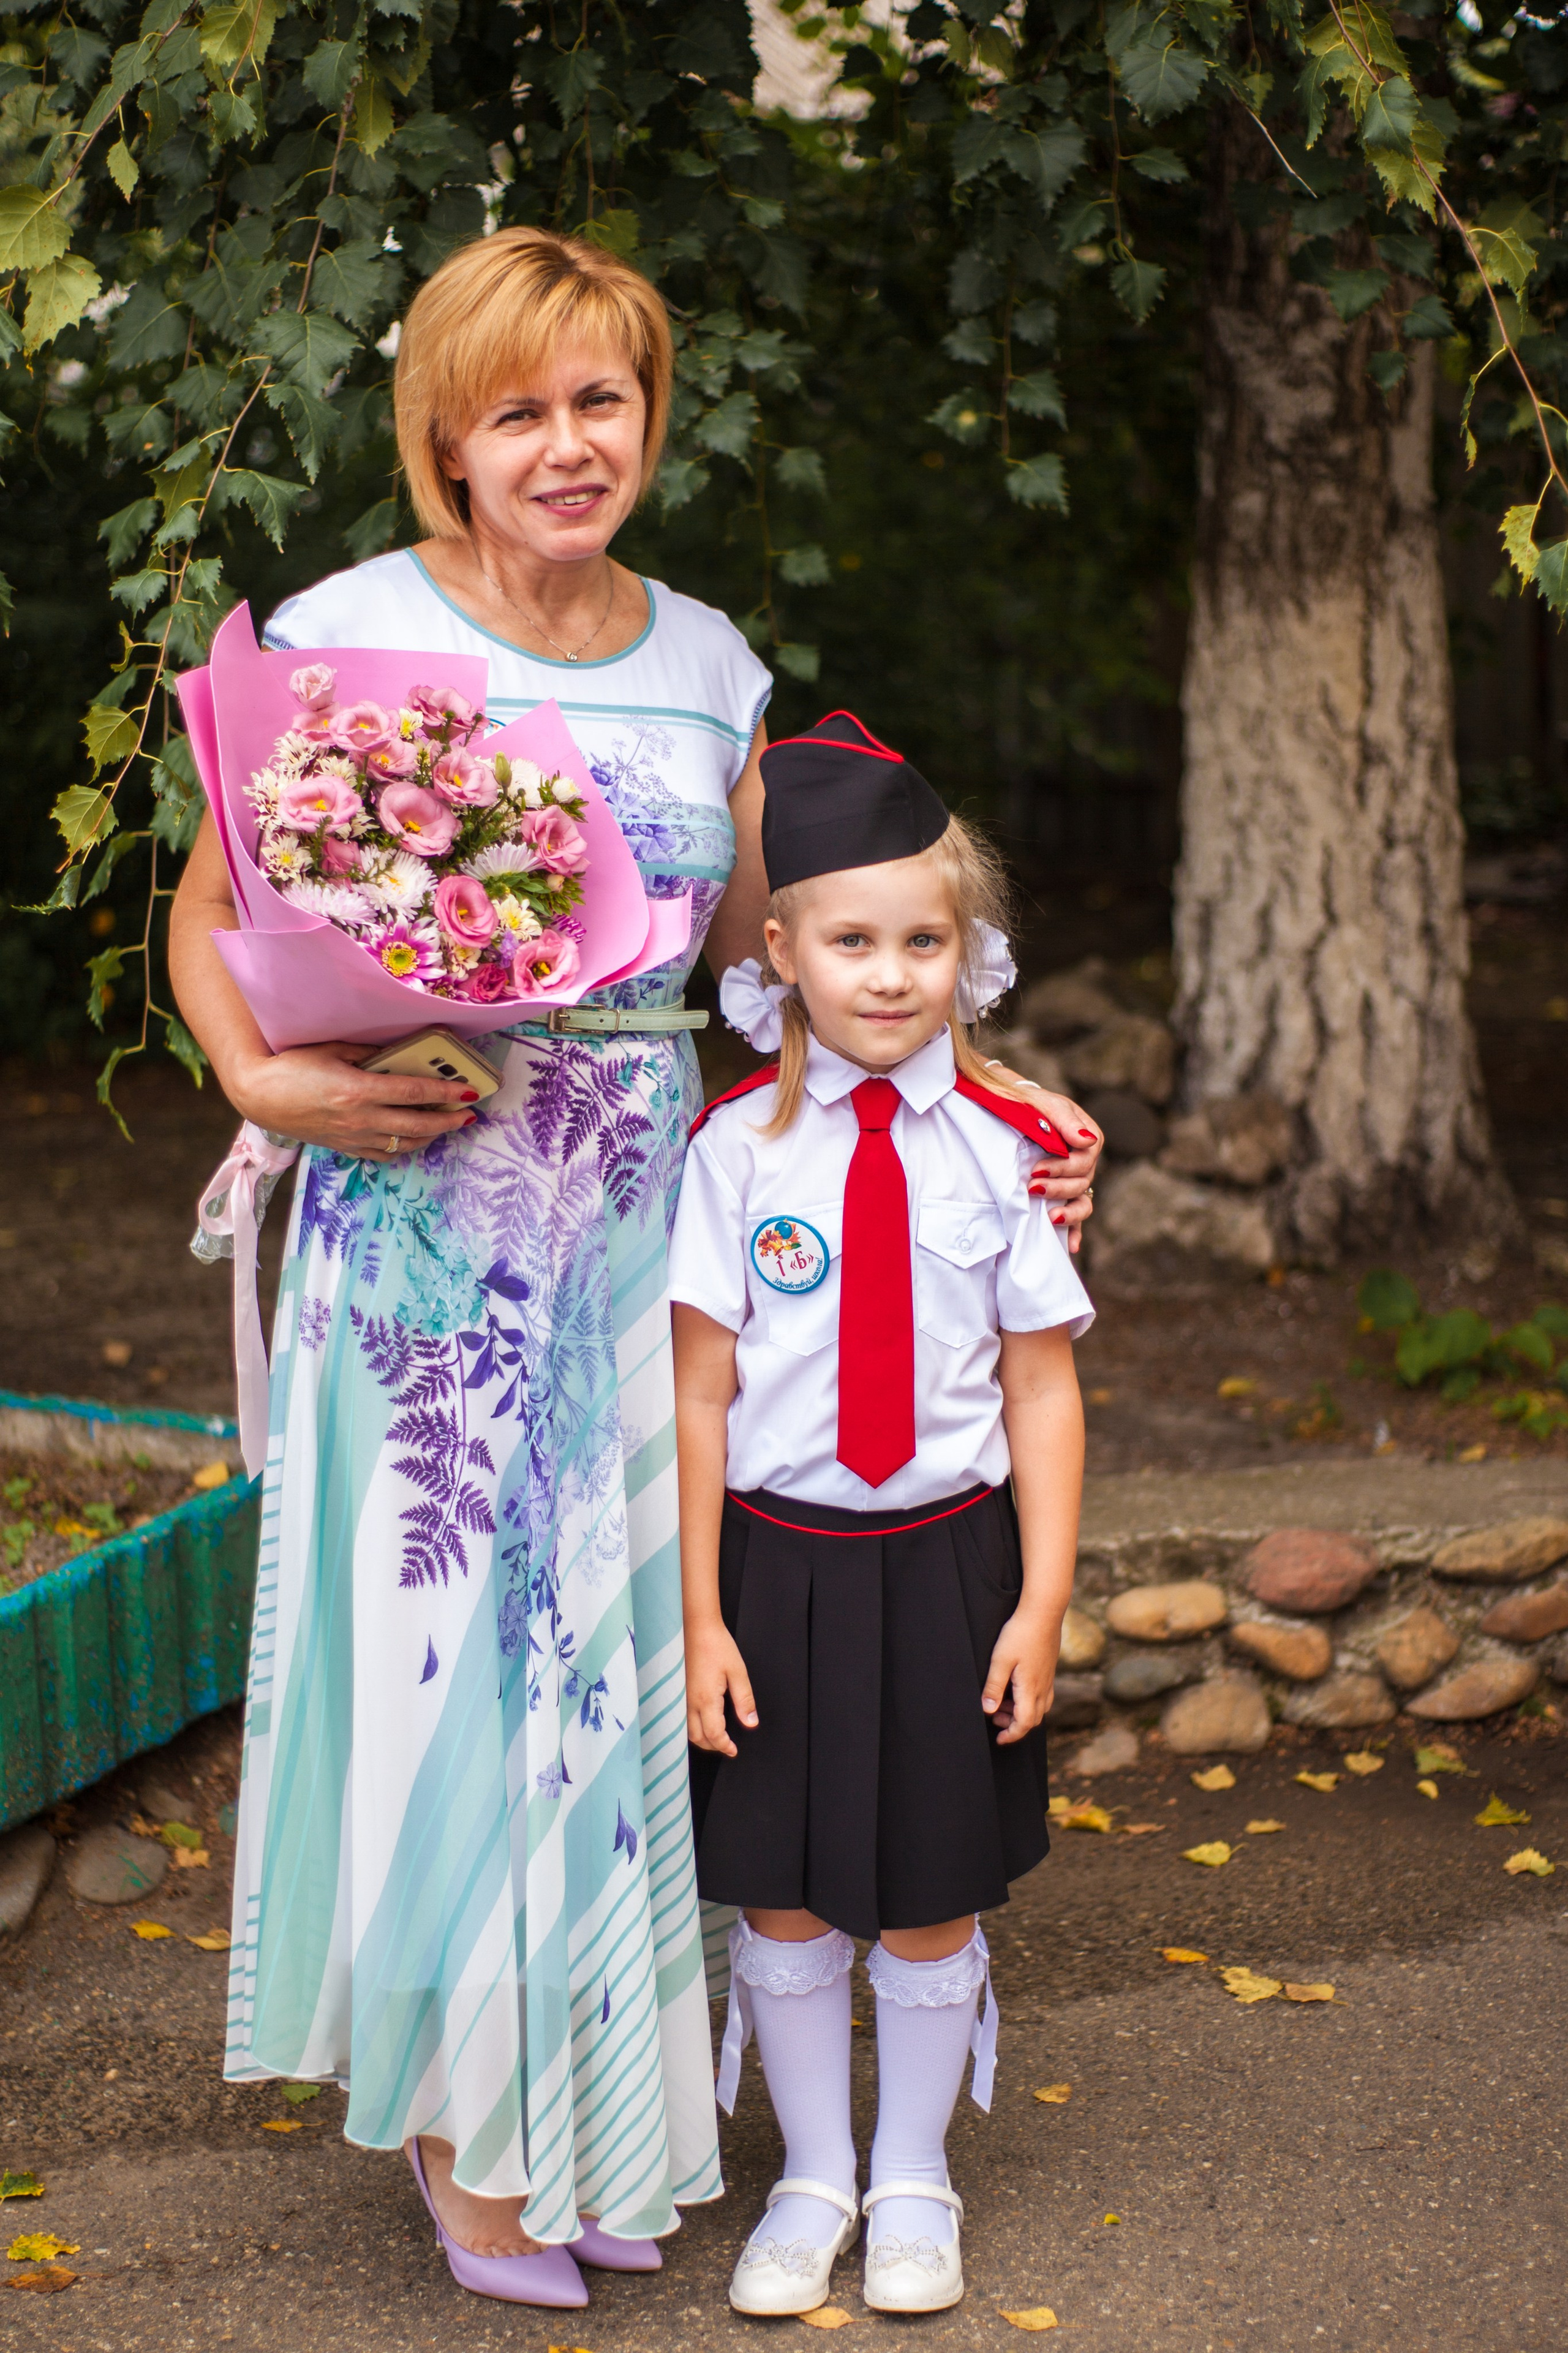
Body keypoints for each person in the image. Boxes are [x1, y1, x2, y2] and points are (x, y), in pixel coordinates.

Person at [168, 230, 1105, 2308]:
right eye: (520, 410)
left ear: (648, 418)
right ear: (447, 437)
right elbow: (210, 904)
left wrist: (1015, 1119)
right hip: (423, 1234)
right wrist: (266, 1074)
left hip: (645, 1245)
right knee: (447, 1691)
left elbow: (803, 973)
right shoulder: (342, 632)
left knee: (622, 1691)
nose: (568, 444)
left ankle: (602, 2107)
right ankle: (464, 2134)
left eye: (603, 400)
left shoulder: (712, 662)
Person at [669, 713, 1093, 2319]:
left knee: (929, 1884)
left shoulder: (1007, 1152)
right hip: (775, 1566)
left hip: (948, 1562)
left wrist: (1041, 1599)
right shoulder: (730, 1152)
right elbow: (699, 1395)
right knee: (779, 1883)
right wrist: (703, 1611)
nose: (894, 971)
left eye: (928, 939)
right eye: (855, 938)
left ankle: (914, 2172)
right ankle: (814, 2170)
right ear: (780, 950)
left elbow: (1043, 1390)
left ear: (964, 956)